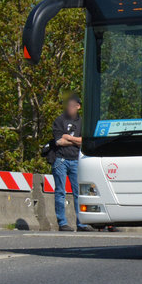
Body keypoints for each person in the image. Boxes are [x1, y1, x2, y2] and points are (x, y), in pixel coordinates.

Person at [51, 94, 84, 232]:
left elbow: (84, 141)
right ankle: (62, 223)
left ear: (78, 106)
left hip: (76, 160)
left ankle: (81, 223)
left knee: (79, 193)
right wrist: (76, 140)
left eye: (72, 105)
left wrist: (69, 137)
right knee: (60, 192)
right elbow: (59, 141)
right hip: (61, 160)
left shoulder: (82, 122)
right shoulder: (59, 120)